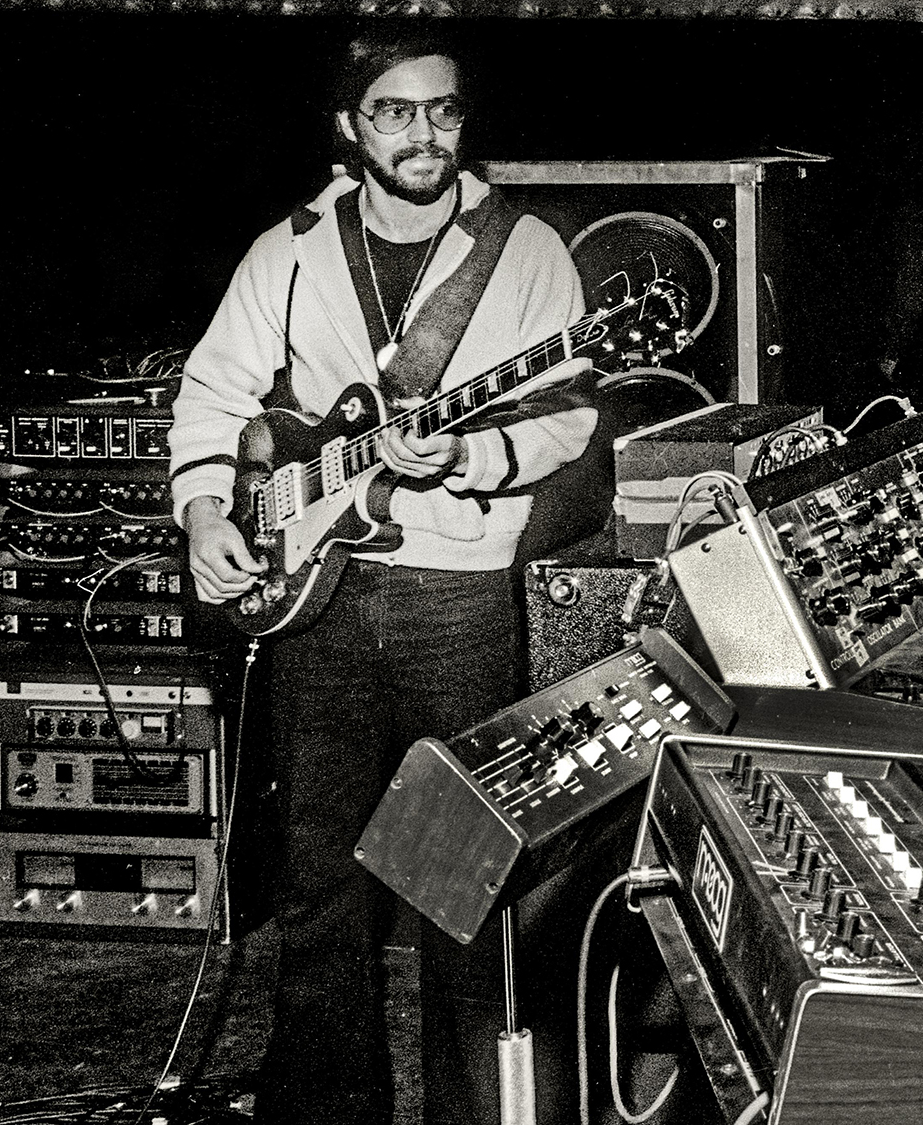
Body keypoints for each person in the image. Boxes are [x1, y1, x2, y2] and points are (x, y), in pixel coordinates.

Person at [168, 31, 597, 1125]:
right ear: (350, 129)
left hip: (455, 597)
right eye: (395, 112)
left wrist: (467, 455)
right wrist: (209, 508)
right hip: (315, 593)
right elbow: (216, 393)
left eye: (443, 112)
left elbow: (569, 421)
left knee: (461, 880)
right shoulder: (290, 249)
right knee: (319, 889)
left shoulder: (527, 249)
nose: (423, 134)